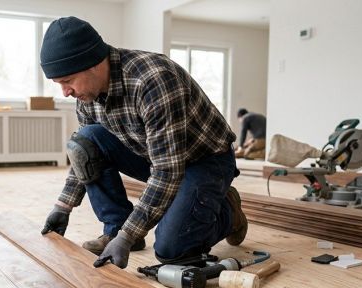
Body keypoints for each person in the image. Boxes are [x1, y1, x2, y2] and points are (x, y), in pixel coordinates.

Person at [39, 16, 247, 269]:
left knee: (172, 250)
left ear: (92, 63)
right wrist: (63, 206)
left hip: (205, 160)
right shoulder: (87, 96)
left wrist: (129, 235)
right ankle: (115, 228)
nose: (65, 92)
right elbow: (85, 155)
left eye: (67, 81)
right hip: (154, 155)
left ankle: (229, 212)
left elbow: (168, 171)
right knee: (86, 140)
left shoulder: (153, 80)